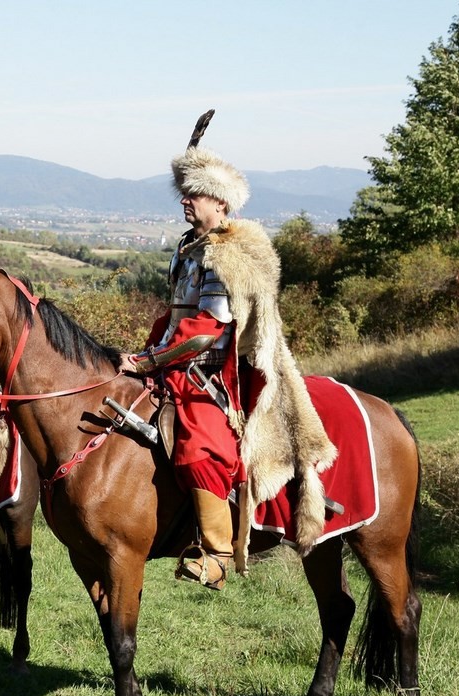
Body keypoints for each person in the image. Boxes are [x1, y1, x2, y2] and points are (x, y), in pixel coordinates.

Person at [120, 115, 337, 589]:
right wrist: (145, 353)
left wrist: (149, 361)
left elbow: (205, 331)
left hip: (209, 375)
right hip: (172, 362)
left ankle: (217, 553)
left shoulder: (225, 255)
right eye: (185, 194)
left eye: (194, 194)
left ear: (219, 202)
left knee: (201, 446)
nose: (185, 201)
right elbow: (176, 316)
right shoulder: (188, 248)